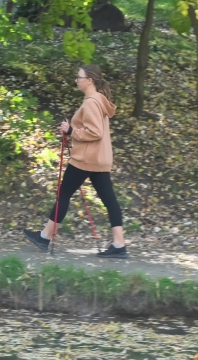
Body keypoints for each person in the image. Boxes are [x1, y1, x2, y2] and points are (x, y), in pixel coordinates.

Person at [22, 64, 128, 258]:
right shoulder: (99, 100)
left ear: (89, 80)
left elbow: (95, 132)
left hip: (85, 159)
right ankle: (119, 244)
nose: (76, 80)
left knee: (63, 194)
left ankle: (44, 237)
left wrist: (71, 130)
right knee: (109, 200)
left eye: (79, 77)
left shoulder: (91, 102)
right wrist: (73, 129)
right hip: (100, 159)